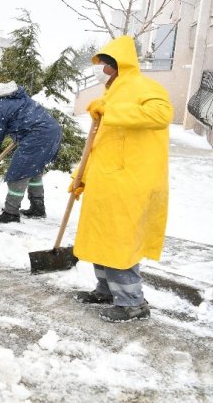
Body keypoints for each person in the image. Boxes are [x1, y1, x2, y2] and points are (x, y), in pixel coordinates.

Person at [72, 36, 173, 323]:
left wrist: (111, 112)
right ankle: (106, 290)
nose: (99, 68)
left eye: (103, 63)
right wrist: (82, 177)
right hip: (107, 181)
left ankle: (132, 302)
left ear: (117, 64)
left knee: (119, 243)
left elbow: (161, 114)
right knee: (100, 241)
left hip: (130, 181)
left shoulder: (145, 87)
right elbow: (102, 144)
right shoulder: (111, 93)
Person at [0, 80, 62, 224]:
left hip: (37, 134)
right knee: (33, 169)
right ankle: (37, 208)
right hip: (51, 130)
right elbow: (25, 115)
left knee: (18, 173)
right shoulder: (11, 97)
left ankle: (11, 213)